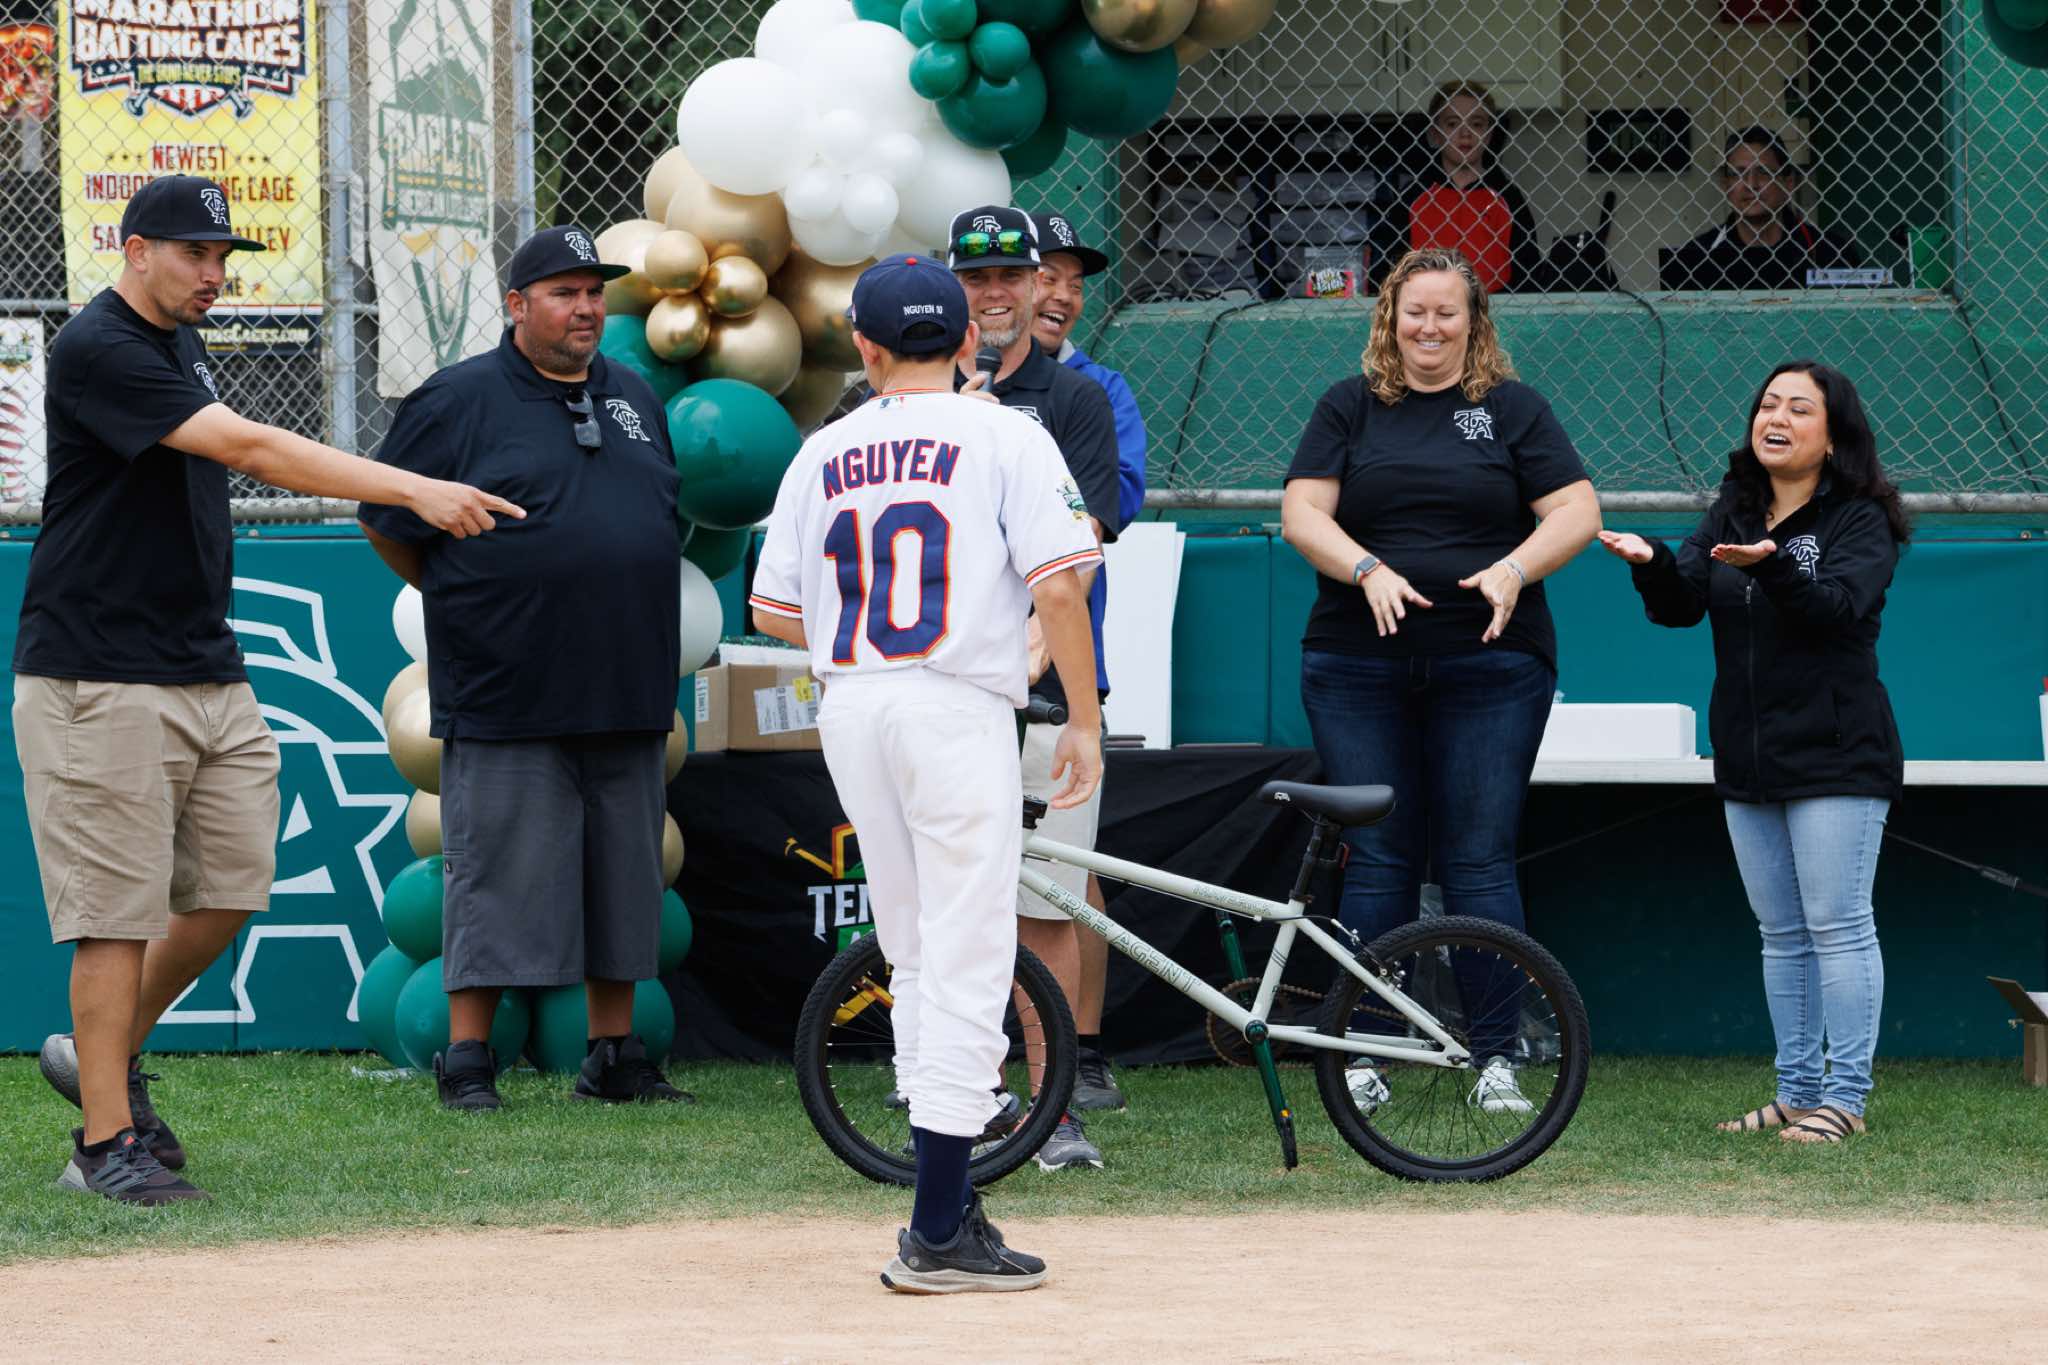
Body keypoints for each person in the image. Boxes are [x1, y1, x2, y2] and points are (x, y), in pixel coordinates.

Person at [17, 174, 520, 1204]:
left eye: (223, 257)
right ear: (136, 250)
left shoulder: (180, 341)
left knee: (230, 891)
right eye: (194, 254)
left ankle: (105, 1056)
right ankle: (104, 1145)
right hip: (97, 673)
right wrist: (412, 486)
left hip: (204, 664)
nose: (215, 274)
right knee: (114, 916)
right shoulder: (99, 344)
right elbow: (250, 447)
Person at [748, 253, 1104, 1293]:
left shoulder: (825, 448)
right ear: (966, 340)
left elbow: (771, 611)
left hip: (855, 703)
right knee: (967, 952)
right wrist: (1082, 718)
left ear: (862, 347)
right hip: (952, 705)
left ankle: (949, 1206)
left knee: (912, 950)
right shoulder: (1005, 431)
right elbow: (1062, 587)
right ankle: (938, 1228)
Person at [358, 225, 690, 1113]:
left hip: (626, 682)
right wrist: (470, 594)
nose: (586, 308)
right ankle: (468, 1058)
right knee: (495, 876)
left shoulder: (633, 395)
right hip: (508, 685)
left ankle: (612, 1055)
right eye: (564, 293)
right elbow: (385, 518)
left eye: (595, 292)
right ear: (516, 305)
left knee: (625, 880)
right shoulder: (458, 398)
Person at [1279, 247, 1599, 1113]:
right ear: (1389, 318)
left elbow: (1577, 509)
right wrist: (1366, 568)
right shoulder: (1348, 405)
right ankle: (1368, 1049)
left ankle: (1493, 1055)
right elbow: (1302, 513)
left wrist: (1516, 569)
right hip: (1356, 663)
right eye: (1413, 311)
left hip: (1491, 662)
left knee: (1479, 857)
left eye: (1445, 312)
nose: (1428, 327)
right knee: (1379, 854)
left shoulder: (1513, 409)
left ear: (1473, 322)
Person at [1598, 361, 1905, 1145]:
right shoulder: (1734, 509)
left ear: (1833, 436)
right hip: (1747, 754)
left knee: (1838, 924)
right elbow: (1682, 604)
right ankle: (1797, 1092)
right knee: (1782, 933)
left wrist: (1770, 567)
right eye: (1769, 404)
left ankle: (1846, 1098)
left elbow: (1836, 610)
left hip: (1838, 751)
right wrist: (1652, 563)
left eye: (1799, 408)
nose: (1777, 418)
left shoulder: (1860, 519)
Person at [946, 204, 1122, 1170]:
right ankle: (956, 1094)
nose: (996, 294)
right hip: (941, 692)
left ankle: (1055, 1109)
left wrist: (1033, 646)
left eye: (1010, 275)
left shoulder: (1076, 398)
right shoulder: (912, 394)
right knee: (949, 903)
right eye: (975, 279)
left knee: (1046, 904)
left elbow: (1081, 542)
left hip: (1042, 694)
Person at [1028, 208, 1145, 1116]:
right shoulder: (948, 383)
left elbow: (1106, 510)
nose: (1063, 293)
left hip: (1061, 669)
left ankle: (1084, 1051)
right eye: (1048, 274)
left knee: (1069, 874)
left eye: (1075, 281)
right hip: (960, 668)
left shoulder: (1098, 390)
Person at [1376, 82, 1543, 295]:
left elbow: (1529, 271)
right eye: (1453, 124)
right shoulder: (1413, 197)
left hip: (1495, 307)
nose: (1465, 133)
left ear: (1489, 133)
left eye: (1477, 124)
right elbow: (1388, 270)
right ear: (1435, 133)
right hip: (1428, 307)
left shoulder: (1507, 197)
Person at [1659, 127, 1862, 291]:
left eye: (1764, 172)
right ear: (1726, 185)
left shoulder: (1830, 252)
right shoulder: (1697, 258)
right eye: (1739, 173)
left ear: (1788, 183)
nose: (1751, 184)